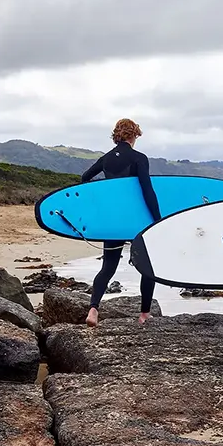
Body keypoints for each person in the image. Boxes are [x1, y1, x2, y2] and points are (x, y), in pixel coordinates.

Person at [80, 118, 161, 328]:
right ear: (134, 135)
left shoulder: (105, 159)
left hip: (112, 221)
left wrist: (98, 203)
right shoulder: (139, 158)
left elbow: (84, 178)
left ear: (116, 135)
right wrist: (158, 219)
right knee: (147, 267)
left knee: (108, 267)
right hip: (136, 221)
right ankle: (144, 314)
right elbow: (147, 190)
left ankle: (93, 310)